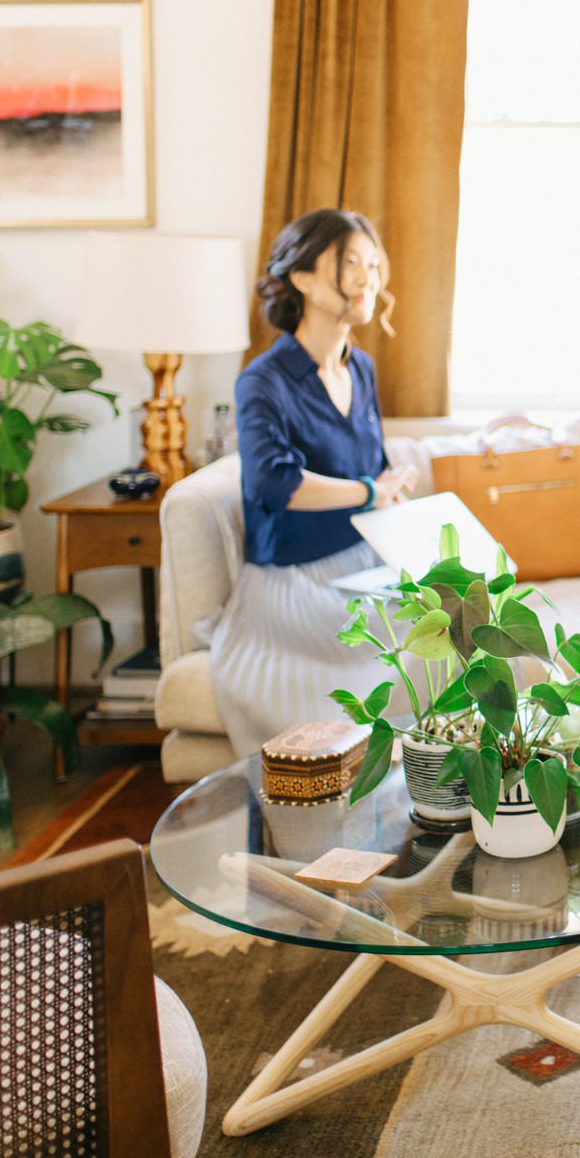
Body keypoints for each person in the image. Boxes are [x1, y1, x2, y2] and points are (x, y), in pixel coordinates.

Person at [209, 208, 419, 759]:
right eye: (349, 262)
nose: (366, 277)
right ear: (301, 278)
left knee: (473, 619)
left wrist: (391, 492)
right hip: (295, 587)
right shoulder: (263, 381)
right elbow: (274, 484)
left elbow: (371, 470)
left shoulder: (362, 368)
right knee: (431, 649)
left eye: (372, 264)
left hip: (362, 568)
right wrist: (371, 492)